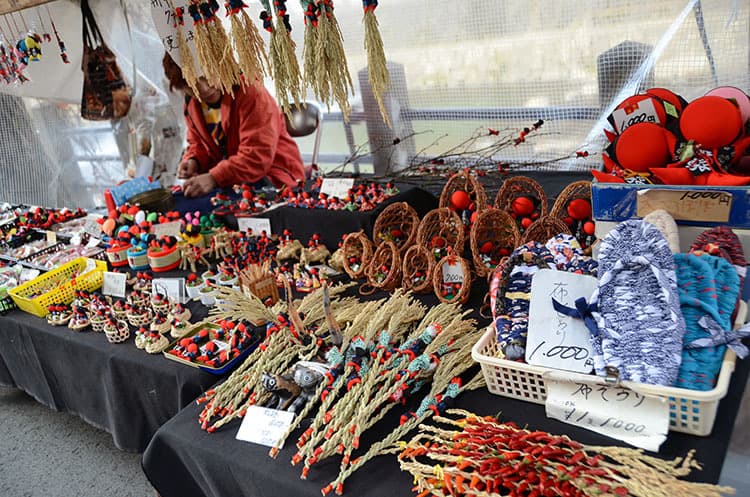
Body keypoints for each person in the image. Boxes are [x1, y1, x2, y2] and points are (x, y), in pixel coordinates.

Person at [162, 53, 305, 198]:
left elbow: (256, 156)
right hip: (233, 180)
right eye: (191, 86)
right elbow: (197, 143)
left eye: (206, 76)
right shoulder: (193, 105)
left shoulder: (251, 93)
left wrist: (214, 177)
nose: (204, 89)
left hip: (274, 178)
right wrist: (194, 160)